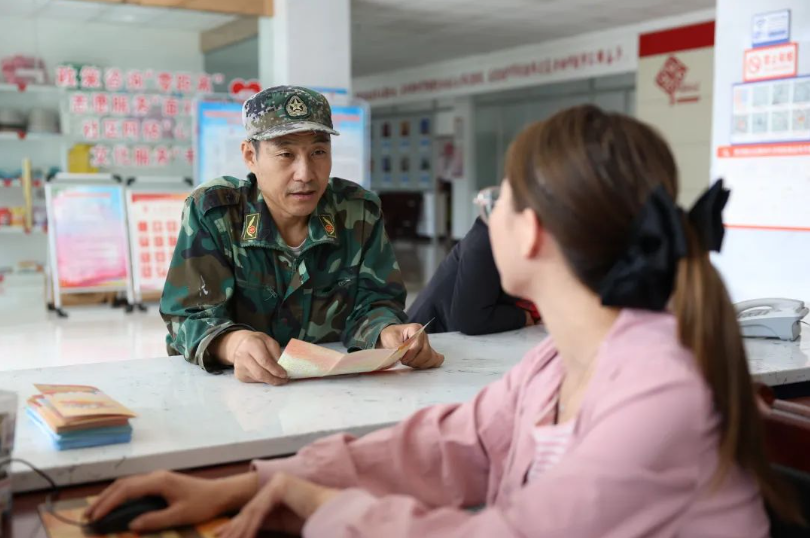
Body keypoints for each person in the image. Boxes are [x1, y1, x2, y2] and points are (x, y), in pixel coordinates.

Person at [87, 105, 798, 536]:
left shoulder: (660, 393)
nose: (305, 170)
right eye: (286, 153)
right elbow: (445, 446)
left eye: (497, 200)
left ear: (532, 233)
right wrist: (247, 485)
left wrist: (314, 502)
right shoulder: (557, 363)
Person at [161, 86, 443, 385]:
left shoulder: (357, 212)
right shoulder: (216, 213)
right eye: (286, 154)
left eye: (318, 152)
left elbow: (375, 302)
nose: (305, 174)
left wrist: (387, 333)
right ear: (250, 156)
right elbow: (187, 316)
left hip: (334, 391)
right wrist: (234, 344)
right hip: (232, 391)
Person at [407, 216, 539, 334]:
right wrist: (523, 317)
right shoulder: (489, 236)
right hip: (431, 337)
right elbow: (470, 319)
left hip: (483, 340)